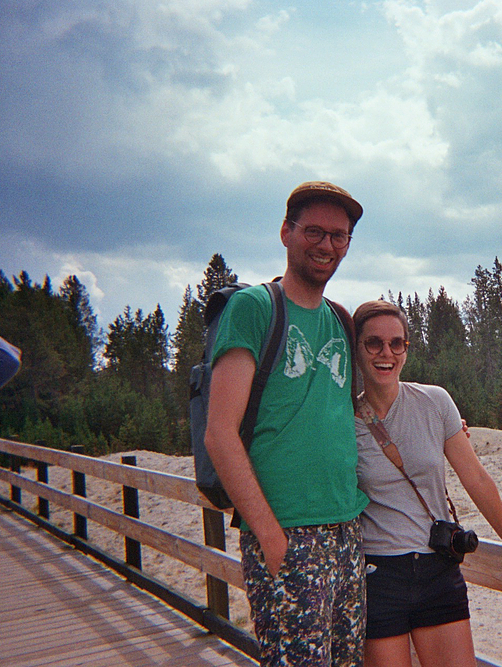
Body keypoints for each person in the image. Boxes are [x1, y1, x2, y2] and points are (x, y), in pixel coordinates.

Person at [204, 181, 370, 666]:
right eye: (314, 231)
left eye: (339, 236)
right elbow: (220, 432)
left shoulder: (340, 319)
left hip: (346, 529)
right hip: (287, 533)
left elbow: (350, 411)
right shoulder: (255, 308)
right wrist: (272, 538)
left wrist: (443, 421)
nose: (326, 245)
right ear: (286, 232)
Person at [352, 300, 502, 667]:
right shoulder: (342, 419)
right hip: (378, 576)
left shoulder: (435, 402)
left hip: (438, 568)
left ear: (407, 347)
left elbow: (477, 478)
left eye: (396, 343)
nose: (386, 353)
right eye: (373, 343)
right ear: (357, 348)